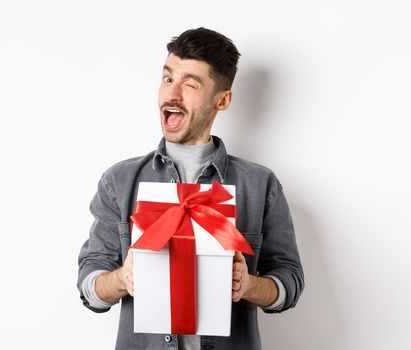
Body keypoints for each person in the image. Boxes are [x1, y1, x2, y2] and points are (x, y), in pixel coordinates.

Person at [76, 28, 304, 350]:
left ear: (222, 100)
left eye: (190, 84)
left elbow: (290, 283)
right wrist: (121, 279)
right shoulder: (119, 182)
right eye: (168, 78)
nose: (172, 94)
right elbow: (89, 288)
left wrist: (249, 285)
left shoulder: (260, 185)